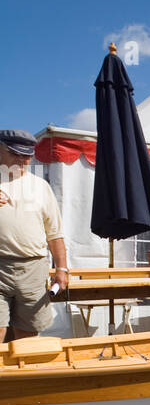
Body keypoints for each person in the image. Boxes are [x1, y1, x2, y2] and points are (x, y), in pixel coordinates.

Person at [0, 128, 68, 341]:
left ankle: (24, 374)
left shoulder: (41, 186)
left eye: (27, 156)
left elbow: (54, 233)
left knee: (28, 336)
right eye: (15, 154)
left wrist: (62, 269)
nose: (22, 161)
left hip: (34, 269)